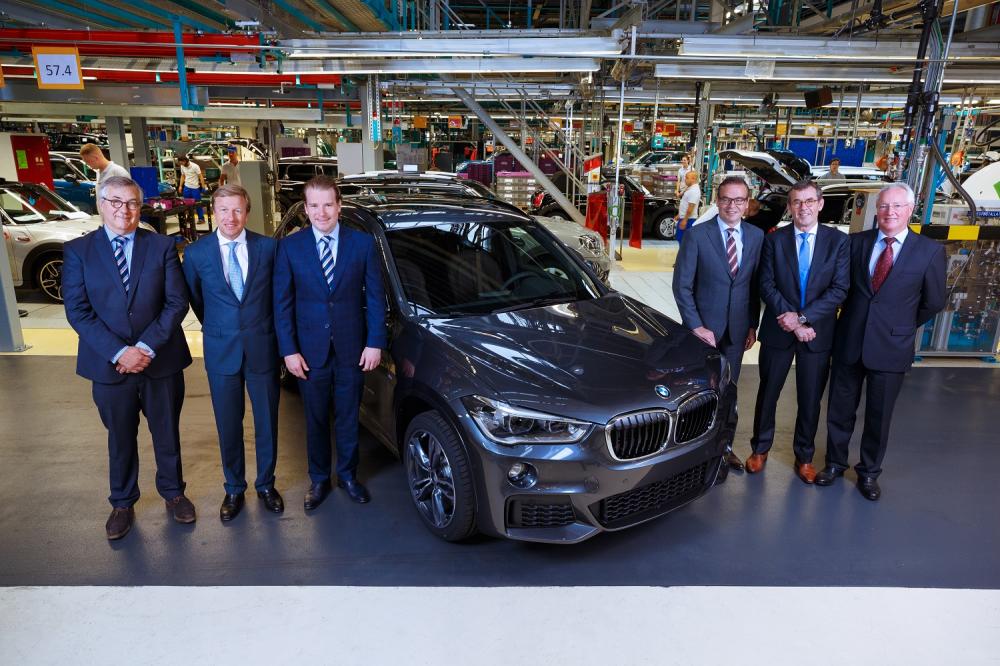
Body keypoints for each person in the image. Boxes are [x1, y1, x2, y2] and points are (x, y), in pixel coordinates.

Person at [61, 175, 195, 540]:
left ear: (141, 206)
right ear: (101, 205)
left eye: (132, 203)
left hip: (160, 360)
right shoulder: (78, 252)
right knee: (119, 437)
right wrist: (121, 352)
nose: (125, 210)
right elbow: (78, 311)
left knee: (166, 432)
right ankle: (122, 502)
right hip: (109, 365)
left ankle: (174, 493)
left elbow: (175, 302)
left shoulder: (162, 247)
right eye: (116, 202)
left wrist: (146, 348)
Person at [818, 182, 946, 500]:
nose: (890, 212)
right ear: (877, 210)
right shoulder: (857, 243)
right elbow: (842, 288)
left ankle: (869, 472)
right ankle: (834, 463)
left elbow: (934, 301)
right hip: (850, 340)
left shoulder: (929, 251)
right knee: (839, 409)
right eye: (885, 206)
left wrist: (900, 326)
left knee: (879, 414)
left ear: (910, 210)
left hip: (892, 347)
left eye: (897, 207)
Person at [274, 175, 387, 509]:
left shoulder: (362, 244)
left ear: (339, 206)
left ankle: (349, 476)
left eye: (327, 204)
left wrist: (375, 341)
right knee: (316, 418)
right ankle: (319, 479)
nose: (321, 212)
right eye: (314, 205)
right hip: (309, 353)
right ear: (306, 209)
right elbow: (282, 304)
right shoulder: (290, 247)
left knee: (349, 416)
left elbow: (376, 298)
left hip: (353, 348)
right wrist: (289, 351)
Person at [182, 184, 283, 521]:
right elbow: (197, 301)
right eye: (223, 210)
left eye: (237, 210)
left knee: (267, 421)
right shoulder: (197, 254)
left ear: (247, 212)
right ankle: (234, 487)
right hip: (220, 350)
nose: (231, 217)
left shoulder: (268, 248)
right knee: (228, 424)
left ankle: (266, 483)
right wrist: (221, 328)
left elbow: (277, 298)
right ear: (213, 212)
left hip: (262, 348)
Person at [745, 181, 850, 483]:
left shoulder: (838, 242)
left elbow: (839, 289)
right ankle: (760, 448)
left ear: (820, 204)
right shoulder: (774, 241)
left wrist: (803, 319)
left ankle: (804, 456)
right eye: (796, 202)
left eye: (808, 201)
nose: (802, 207)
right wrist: (790, 320)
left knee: (810, 397)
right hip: (779, 329)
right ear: (789, 207)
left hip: (816, 333)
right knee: (768, 392)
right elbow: (766, 284)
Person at [672, 175, 764, 472]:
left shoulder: (756, 237)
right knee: (701, 394)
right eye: (726, 199)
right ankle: (695, 453)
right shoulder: (699, 235)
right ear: (717, 201)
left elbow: (753, 287)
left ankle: (724, 449)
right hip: (703, 332)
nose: (732, 205)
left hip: (737, 332)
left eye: (739, 200)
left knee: (730, 392)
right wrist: (696, 326)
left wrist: (752, 324)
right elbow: (682, 286)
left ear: (748, 204)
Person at [176, 154, 207, 225]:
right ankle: (189, 217)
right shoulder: (182, 166)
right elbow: (183, 176)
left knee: (198, 203)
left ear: (185, 161)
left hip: (195, 188)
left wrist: (203, 186)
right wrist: (180, 186)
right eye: (180, 163)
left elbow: (200, 176)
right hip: (187, 187)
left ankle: (201, 218)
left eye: (181, 163)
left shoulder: (195, 166)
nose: (181, 164)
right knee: (187, 203)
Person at [674, 170, 700, 244]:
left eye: (687, 177)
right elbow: (685, 205)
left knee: (684, 243)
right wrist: (680, 215)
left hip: (688, 220)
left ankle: (684, 255)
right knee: (681, 241)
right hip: (685, 218)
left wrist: (685, 220)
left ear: (693, 179)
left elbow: (691, 207)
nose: (685, 179)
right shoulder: (690, 188)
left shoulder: (694, 191)